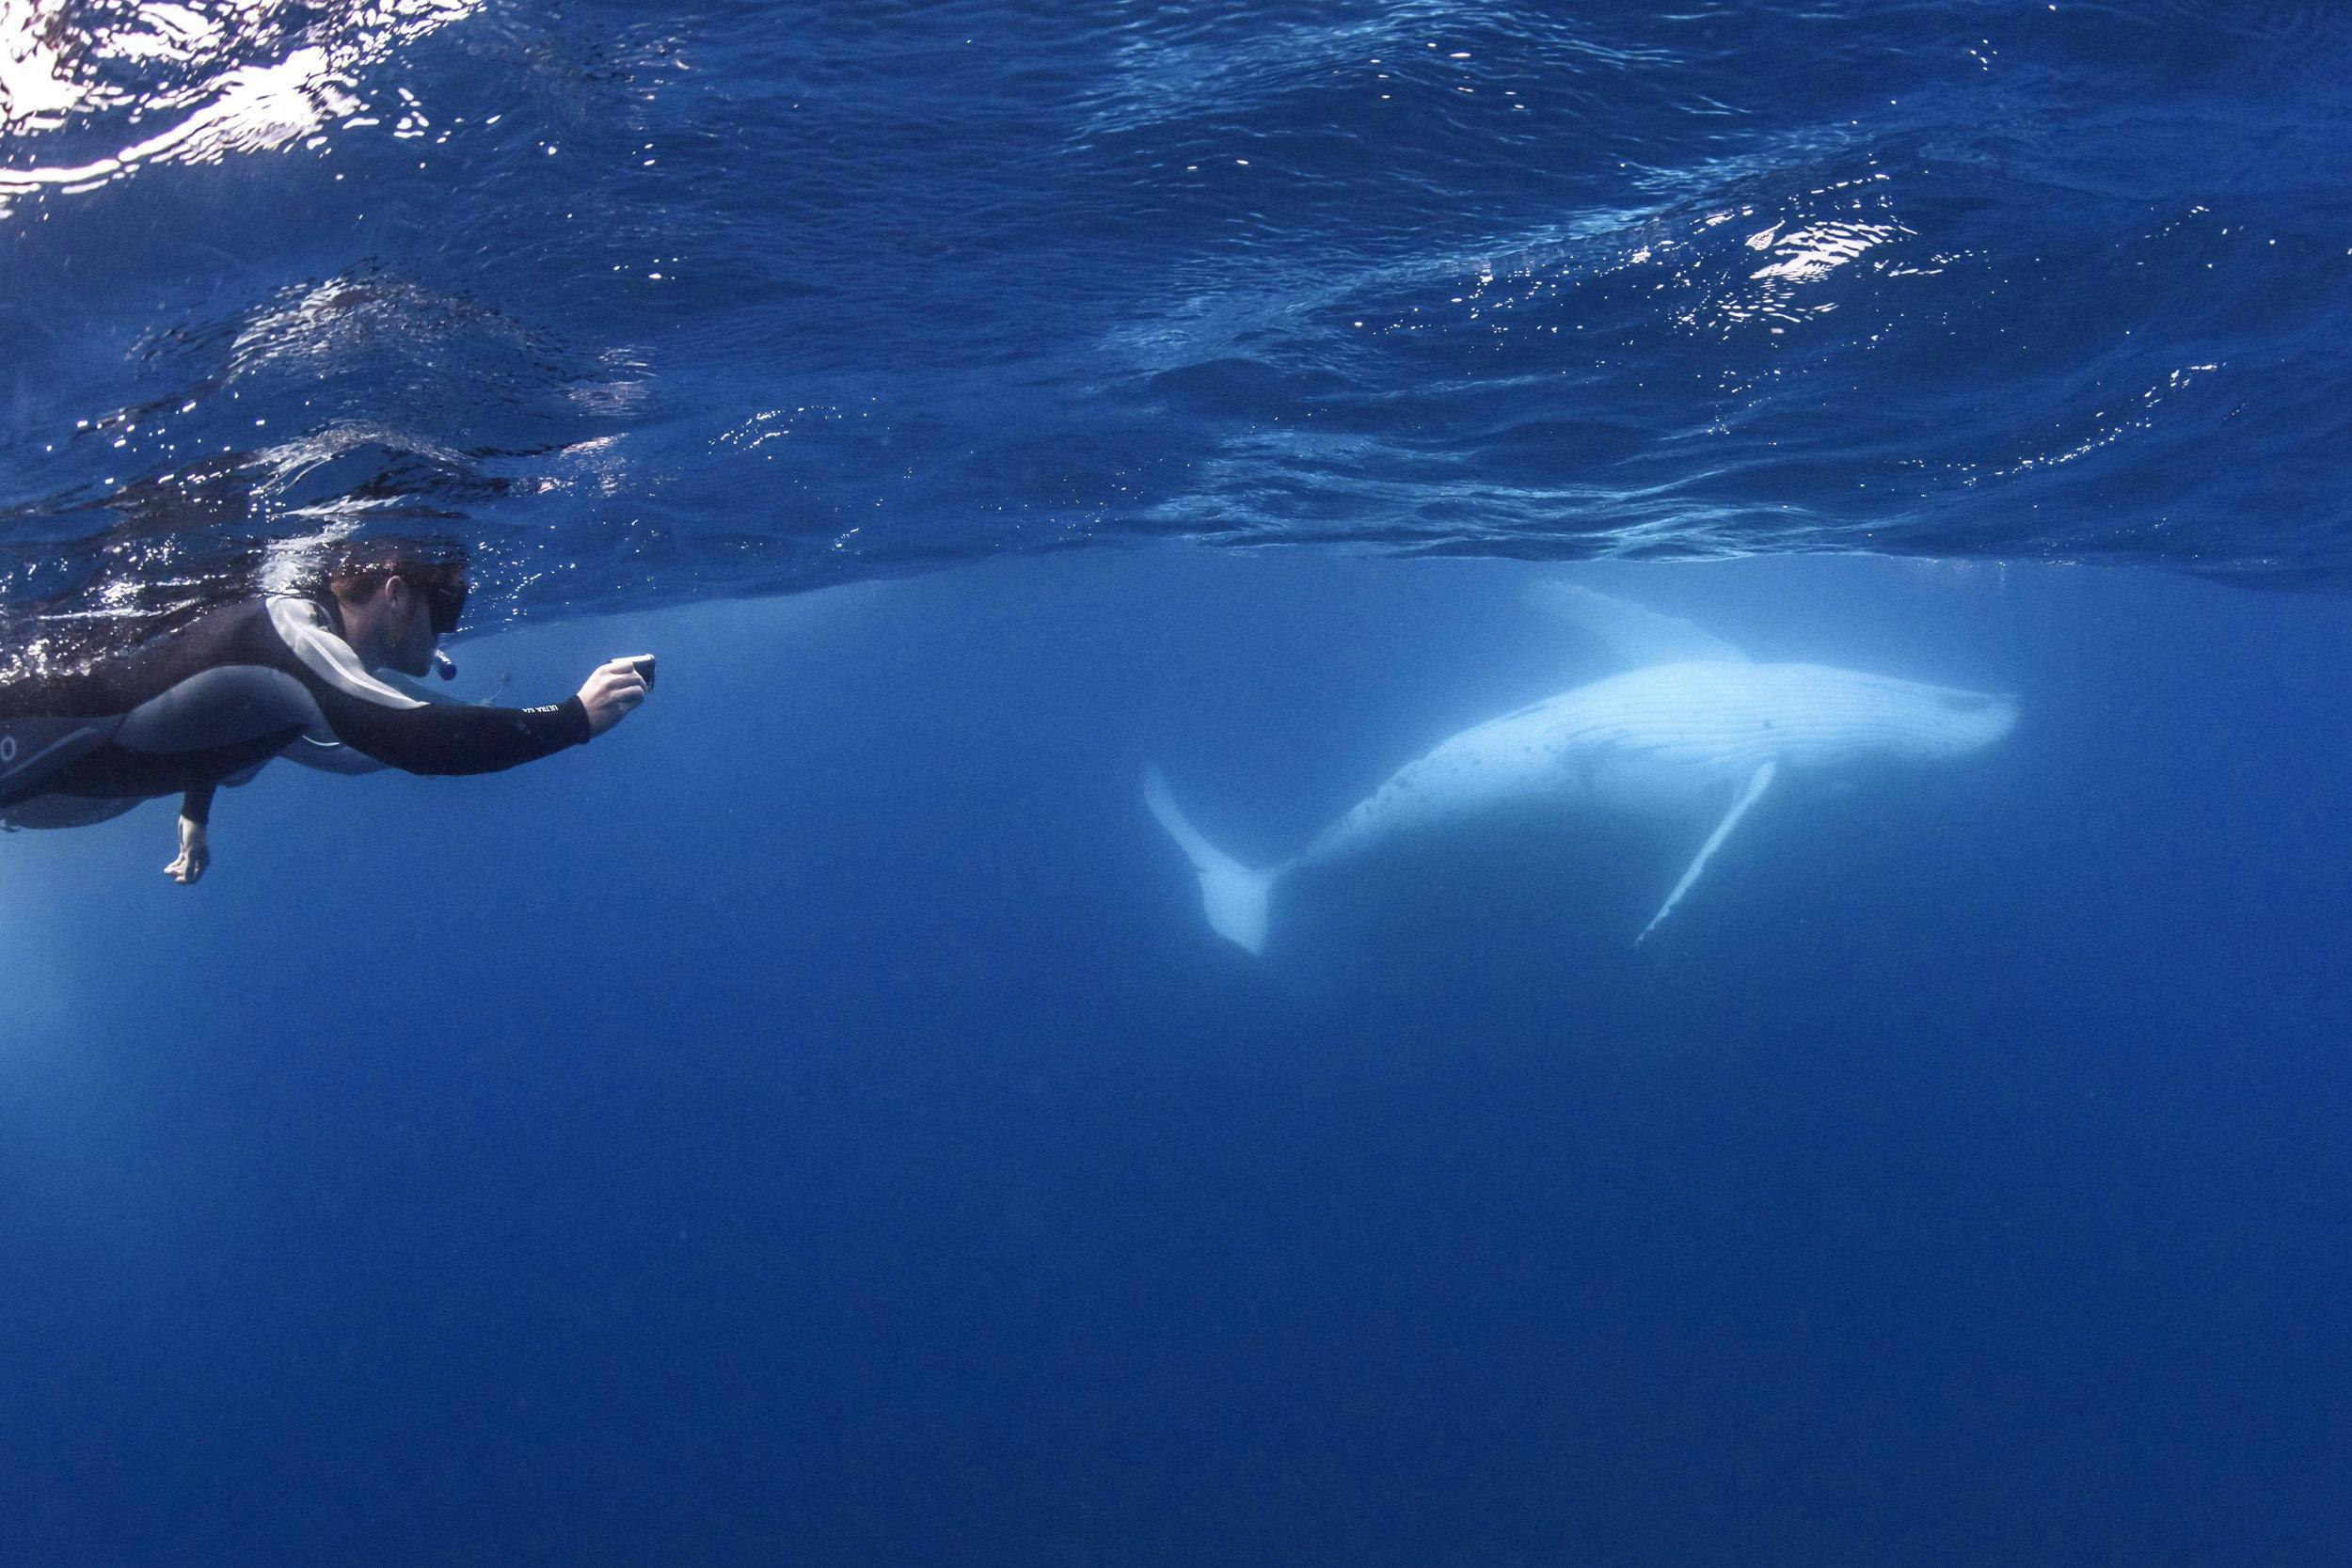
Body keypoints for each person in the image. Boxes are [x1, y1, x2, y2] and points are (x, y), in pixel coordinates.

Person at [0, 544, 649, 882]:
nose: (447, 630)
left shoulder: (300, 652)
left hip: (53, 769)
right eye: (445, 610)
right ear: (395, 594)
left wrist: (195, 811)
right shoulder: (297, 636)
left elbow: (214, 707)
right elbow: (411, 737)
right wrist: (574, 719)